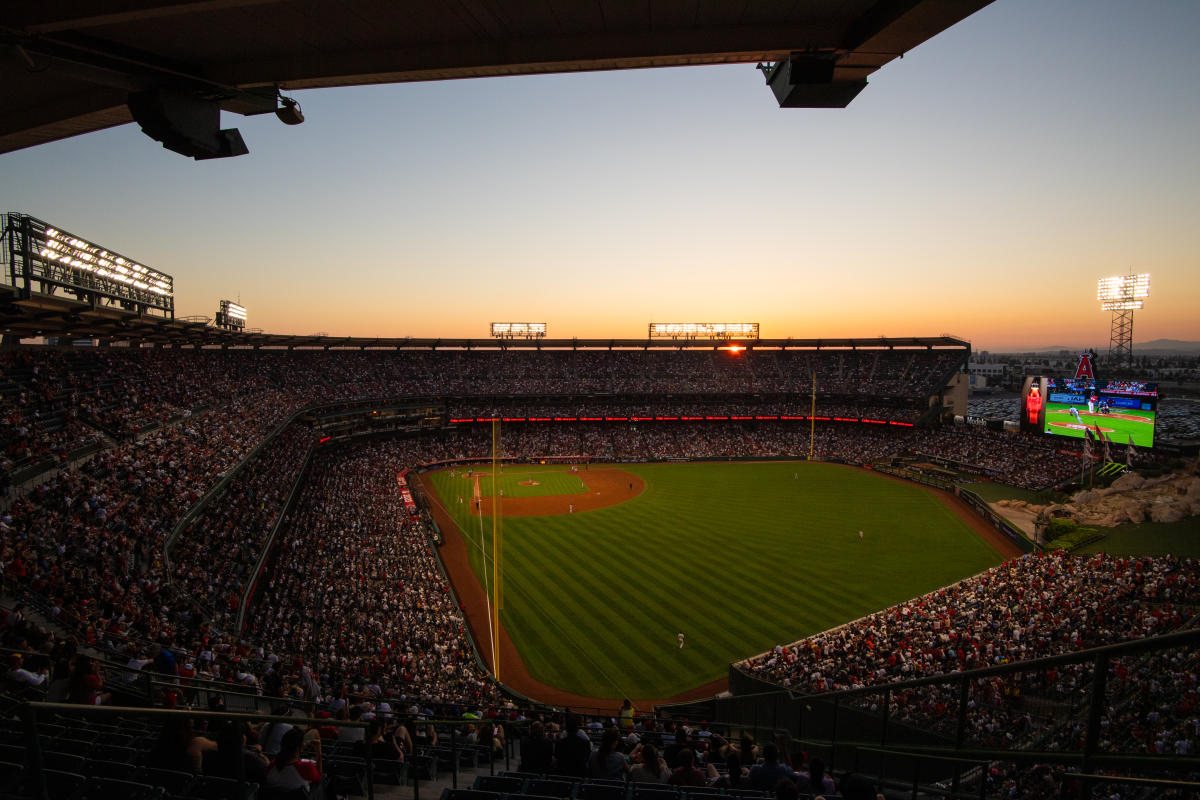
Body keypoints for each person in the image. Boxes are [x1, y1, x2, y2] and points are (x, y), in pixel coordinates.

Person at [266, 727, 322, 798]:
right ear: (300, 747)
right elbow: (319, 777)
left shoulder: (272, 766)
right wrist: (318, 752)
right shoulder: (306, 767)